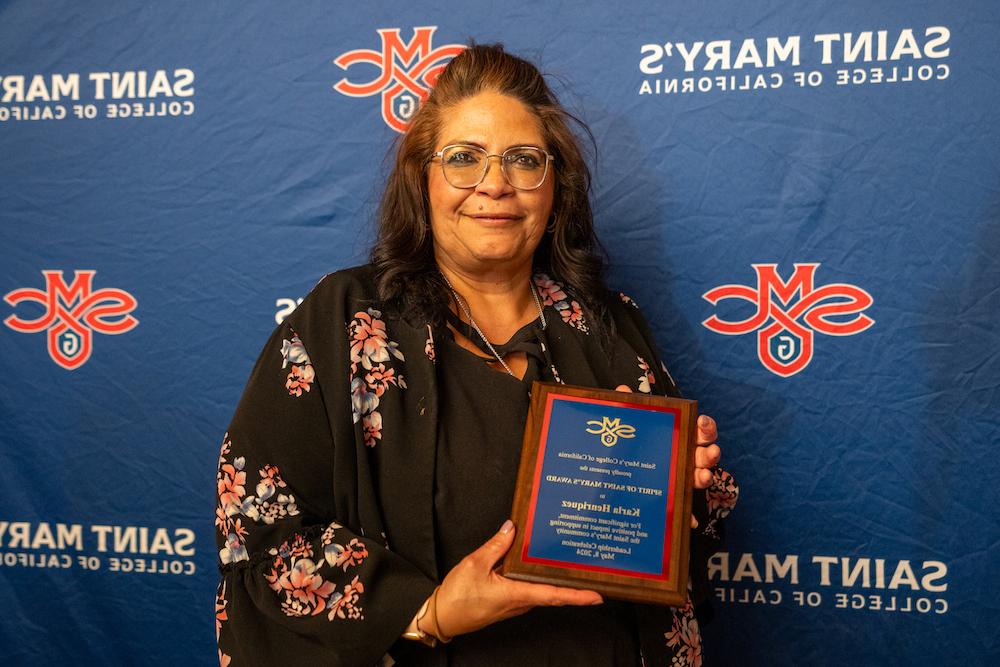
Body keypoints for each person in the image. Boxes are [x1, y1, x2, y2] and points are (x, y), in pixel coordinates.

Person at [215, 43, 738, 667]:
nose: (495, 184)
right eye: (463, 158)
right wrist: (428, 613)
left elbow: (674, 538)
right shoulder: (344, 318)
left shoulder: (609, 323)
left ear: (556, 188)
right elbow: (260, 525)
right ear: (422, 179)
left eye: (524, 160)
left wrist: (682, 481)